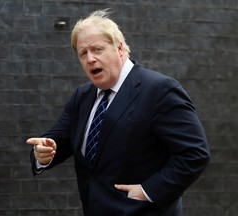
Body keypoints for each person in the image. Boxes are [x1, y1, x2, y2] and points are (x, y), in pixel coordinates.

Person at [26, 9, 210, 216]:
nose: (90, 59)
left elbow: (195, 153)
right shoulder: (82, 96)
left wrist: (148, 191)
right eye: (83, 53)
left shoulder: (159, 90)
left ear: (120, 48)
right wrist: (44, 153)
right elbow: (57, 140)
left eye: (97, 49)